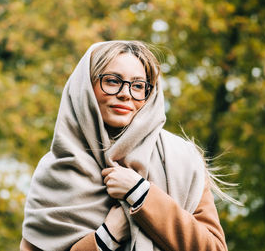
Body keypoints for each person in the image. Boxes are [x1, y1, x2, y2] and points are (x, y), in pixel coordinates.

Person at [20, 40, 229, 251]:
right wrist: (107, 235)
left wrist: (141, 194)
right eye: (112, 81)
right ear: (85, 86)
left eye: (138, 86)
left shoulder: (181, 159)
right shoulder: (55, 170)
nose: (125, 93)